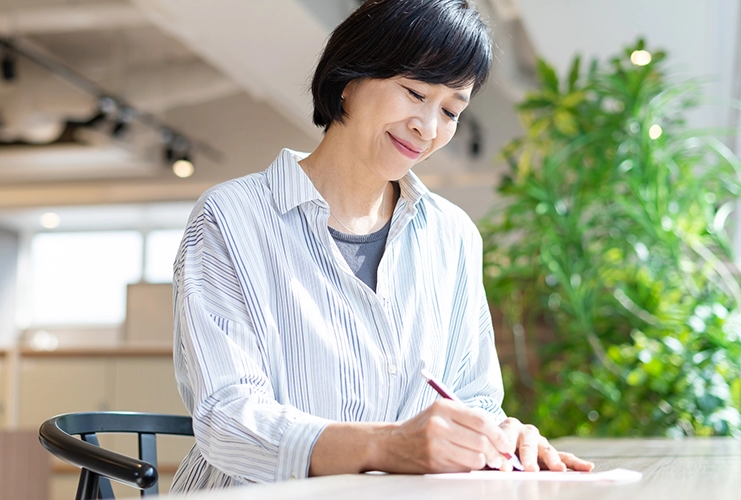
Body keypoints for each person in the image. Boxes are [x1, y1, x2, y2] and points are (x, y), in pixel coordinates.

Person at [169, 0, 593, 492]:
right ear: (350, 78)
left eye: (452, 110)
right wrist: (387, 445)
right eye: (415, 93)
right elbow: (229, 418)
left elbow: (472, 397)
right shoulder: (232, 216)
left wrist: (495, 435)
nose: (429, 128)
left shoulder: (451, 235)